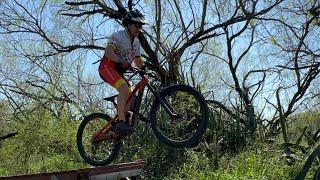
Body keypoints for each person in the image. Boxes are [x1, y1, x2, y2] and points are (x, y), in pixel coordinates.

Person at [99, 9, 146, 135]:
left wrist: (145, 70)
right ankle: (121, 121)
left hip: (118, 72)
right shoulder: (118, 36)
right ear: (129, 24)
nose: (139, 28)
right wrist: (120, 60)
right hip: (107, 68)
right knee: (124, 88)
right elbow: (108, 52)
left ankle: (122, 121)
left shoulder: (136, 42)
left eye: (140, 26)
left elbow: (137, 60)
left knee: (130, 93)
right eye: (137, 25)